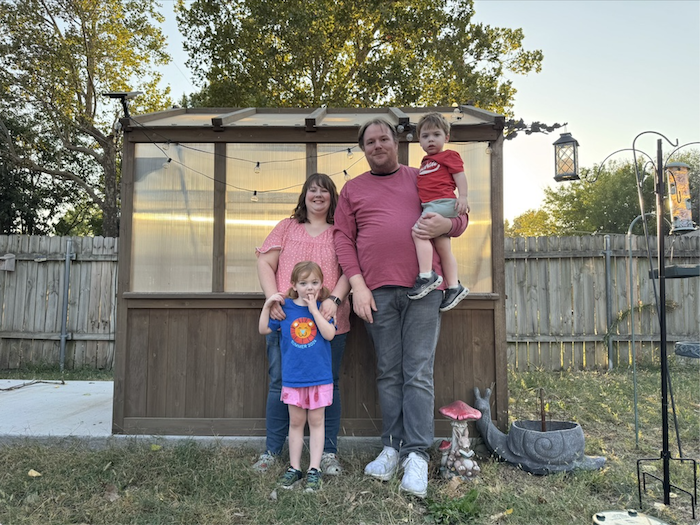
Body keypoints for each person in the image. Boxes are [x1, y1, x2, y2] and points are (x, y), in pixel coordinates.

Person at [333, 118, 468, 498]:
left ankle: (417, 456)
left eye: (383, 139)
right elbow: (343, 240)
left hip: (424, 290)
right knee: (388, 372)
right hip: (376, 293)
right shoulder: (352, 189)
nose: (377, 145)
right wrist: (357, 287)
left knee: (418, 373)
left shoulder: (421, 173)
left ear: (396, 142)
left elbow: (458, 217)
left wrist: (450, 222)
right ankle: (392, 447)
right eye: (369, 141)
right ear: (363, 149)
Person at [255, 173, 351, 476]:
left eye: (325, 191)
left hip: (328, 325)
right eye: (313, 190)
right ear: (304, 195)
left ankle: (328, 455)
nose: (318, 195)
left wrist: (334, 300)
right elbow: (264, 262)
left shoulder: (341, 231)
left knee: (329, 385)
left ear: (332, 197)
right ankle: (272, 451)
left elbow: (352, 269)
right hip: (286, 323)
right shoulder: (287, 227)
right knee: (278, 384)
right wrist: (273, 298)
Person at [259, 261, 337, 491]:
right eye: (303, 283)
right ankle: (295, 468)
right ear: (293, 285)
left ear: (322, 284)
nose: (309, 287)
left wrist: (314, 310)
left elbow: (330, 334)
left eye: (314, 282)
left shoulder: (324, 308)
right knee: (296, 422)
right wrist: (267, 305)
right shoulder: (286, 309)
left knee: (316, 422)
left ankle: (314, 469)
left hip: (319, 379)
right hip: (293, 378)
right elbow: (264, 329)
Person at [408, 112, 470, 312]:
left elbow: (459, 175)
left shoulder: (449, 155)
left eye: (436, 135)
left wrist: (463, 196)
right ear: (420, 141)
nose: (431, 139)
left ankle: (426, 276)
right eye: (425, 136)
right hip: (432, 205)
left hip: (442, 203)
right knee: (443, 248)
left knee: (418, 233)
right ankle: (453, 286)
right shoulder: (425, 162)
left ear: (446, 138)